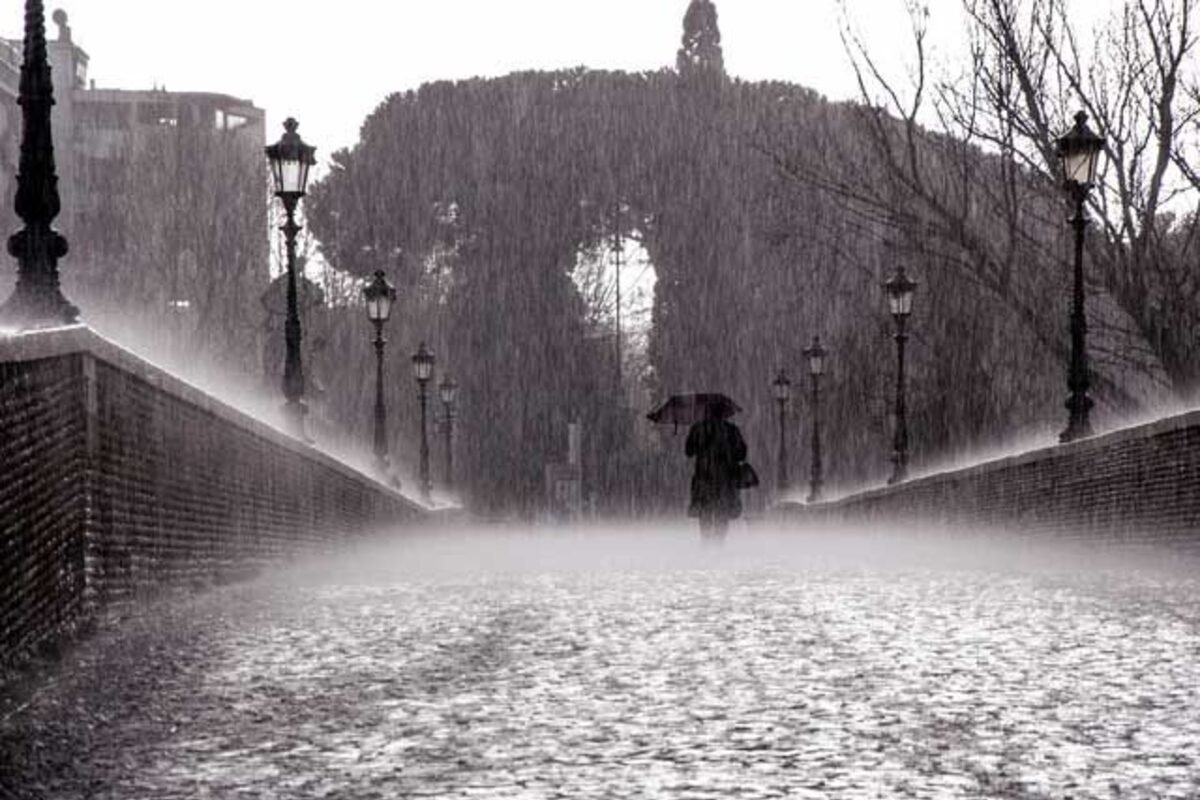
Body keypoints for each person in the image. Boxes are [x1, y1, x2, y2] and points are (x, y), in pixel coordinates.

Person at [685, 405, 748, 538]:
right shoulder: (731, 430)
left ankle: (706, 542)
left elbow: (688, 451)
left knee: (705, 514)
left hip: (704, 478)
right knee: (722, 514)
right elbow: (742, 454)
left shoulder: (698, 429)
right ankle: (719, 545)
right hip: (725, 479)